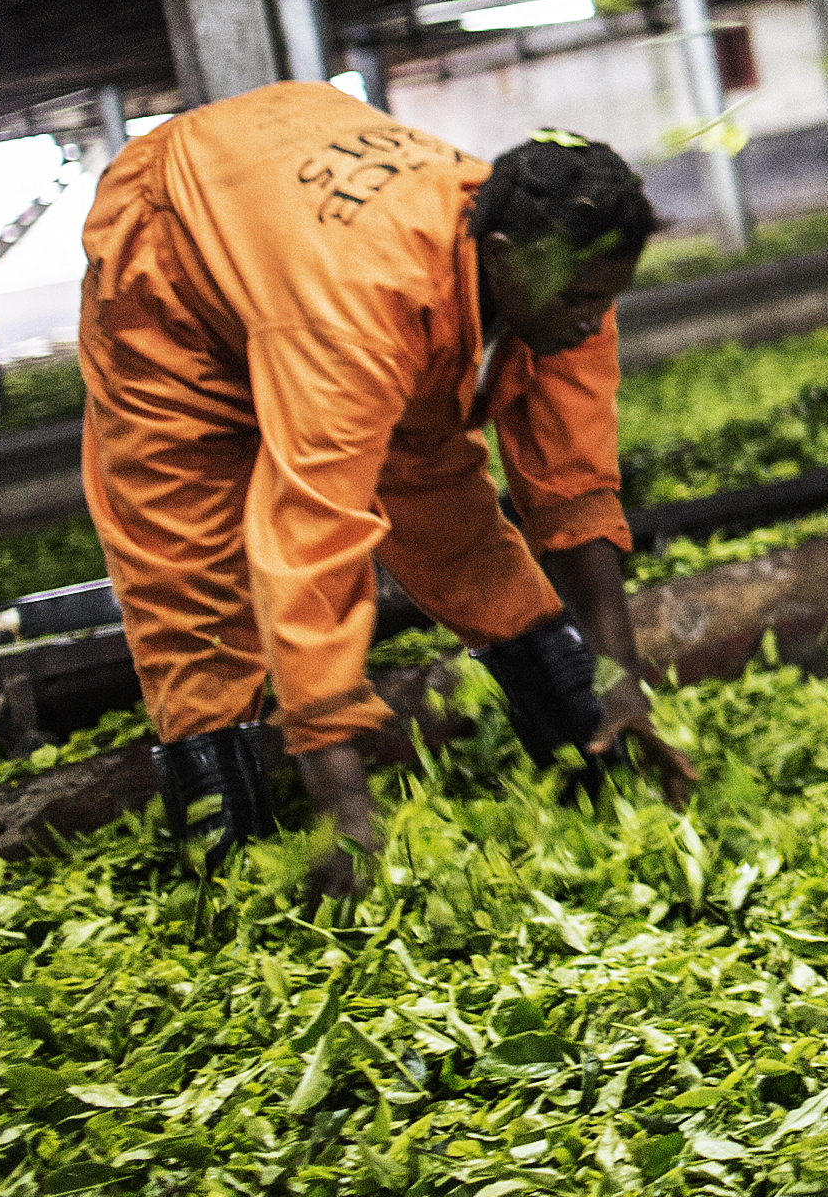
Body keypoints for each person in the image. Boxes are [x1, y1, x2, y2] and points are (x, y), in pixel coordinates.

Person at [74, 82, 691, 893]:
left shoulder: (569, 258)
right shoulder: (362, 306)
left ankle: (589, 744)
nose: (591, 321)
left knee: (446, 508)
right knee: (188, 562)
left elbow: (574, 486)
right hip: (174, 258)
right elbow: (312, 543)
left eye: (604, 300)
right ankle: (222, 842)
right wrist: (344, 802)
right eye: (579, 302)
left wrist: (622, 682)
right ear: (500, 253)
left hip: (294, 193)